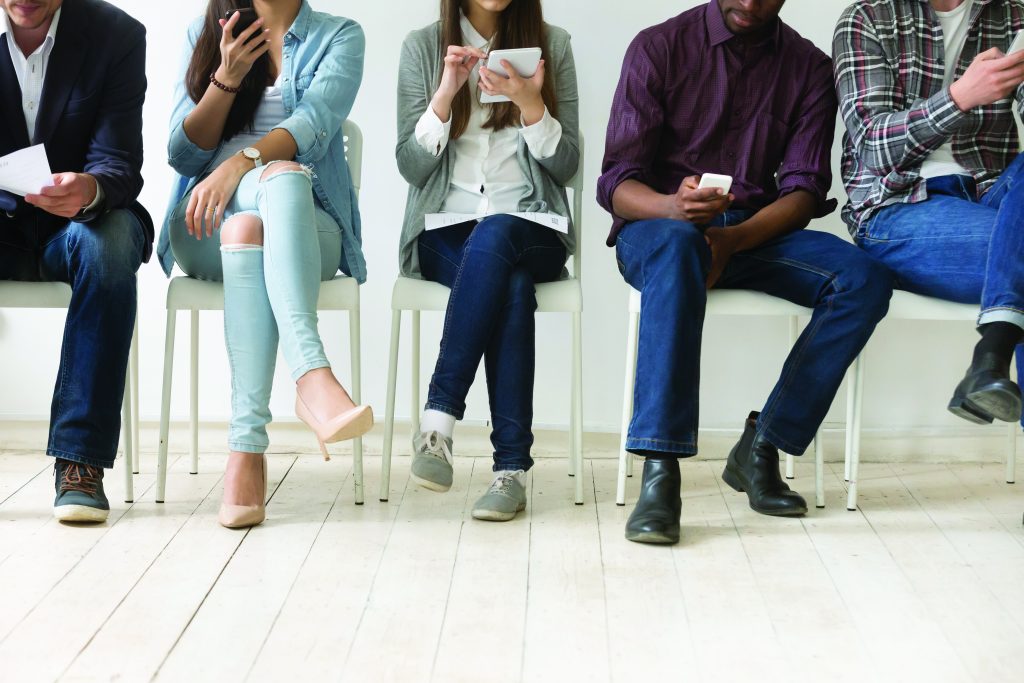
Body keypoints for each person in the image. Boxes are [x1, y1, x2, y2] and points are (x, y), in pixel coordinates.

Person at [599, 0, 894, 545]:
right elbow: (616, 182)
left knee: (863, 278)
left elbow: (804, 189)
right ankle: (661, 472)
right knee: (678, 247)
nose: (751, 4)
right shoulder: (658, 47)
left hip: (754, 234)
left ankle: (766, 444)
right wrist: (675, 210)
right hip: (660, 230)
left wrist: (731, 241)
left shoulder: (807, 66)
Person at [160, 0, 370, 529]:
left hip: (304, 227)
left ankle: (245, 448)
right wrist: (225, 79)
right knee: (247, 217)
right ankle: (313, 378)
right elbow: (183, 156)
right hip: (205, 222)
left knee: (280, 182)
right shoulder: (205, 30)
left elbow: (315, 123)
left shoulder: (340, 36)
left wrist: (240, 162)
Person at [396, 0, 579, 521]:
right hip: (445, 230)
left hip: (533, 224)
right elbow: (410, 168)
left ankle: (437, 423)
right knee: (512, 287)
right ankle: (512, 471)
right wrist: (445, 95)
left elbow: (568, 165)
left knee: (499, 232)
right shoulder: (422, 47)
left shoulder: (554, 45)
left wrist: (531, 105)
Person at [835, 0, 1024, 429]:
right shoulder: (867, 18)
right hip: (896, 209)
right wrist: (961, 97)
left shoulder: (1015, 15)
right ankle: (990, 355)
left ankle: (991, 356)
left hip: (995, 197)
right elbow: (873, 145)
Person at [0, 0, 150, 523]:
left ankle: (80, 463)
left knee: (107, 242)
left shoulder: (117, 35)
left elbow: (119, 162)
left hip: (78, 222)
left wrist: (89, 188)